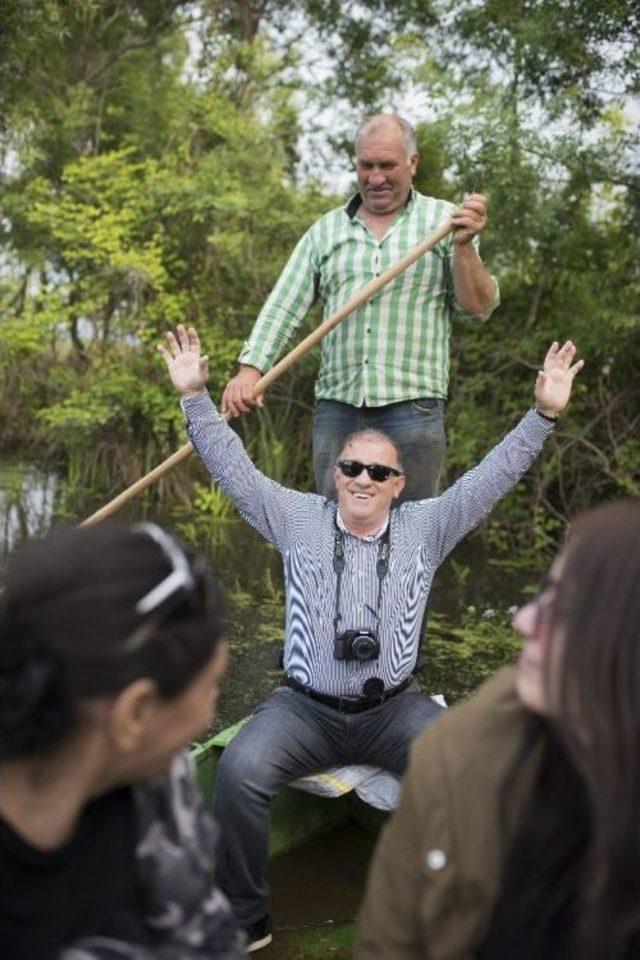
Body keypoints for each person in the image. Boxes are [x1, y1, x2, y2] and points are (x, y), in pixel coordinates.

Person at [159, 323, 583, 952]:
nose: (363, 479)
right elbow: (234, 470)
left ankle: (459, 913)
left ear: (398, 483)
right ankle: (248, 919)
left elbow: (494, 477)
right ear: (335, 474)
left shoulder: (428, 525)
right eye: (351, 467)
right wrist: (195, 396)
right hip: (304, 707)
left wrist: (543, 415)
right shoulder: (296, 518)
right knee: (241, 773)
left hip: (396, 710)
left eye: (378, 472)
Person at [356, 499, 640, 960]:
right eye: (542, 594)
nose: (523, 621)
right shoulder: (460, 748)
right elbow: (387, 944)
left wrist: (540, 421)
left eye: (563, 610)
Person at [0, 521, 246, 960]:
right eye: (212, 688)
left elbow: (205, 933)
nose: (210, 713)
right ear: (136, 712)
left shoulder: (155, 777)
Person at [221, 113, 499, 501]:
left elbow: (478, 306)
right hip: (338, 410)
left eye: (387, 165)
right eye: (366, 166)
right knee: (334, 531)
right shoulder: (326, 231)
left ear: (413, 164)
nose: (375, 177)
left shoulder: (445, 223)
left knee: (411, 535)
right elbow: (283, 306)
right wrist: (250, 371)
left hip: (413, 409)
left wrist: (465, 245)